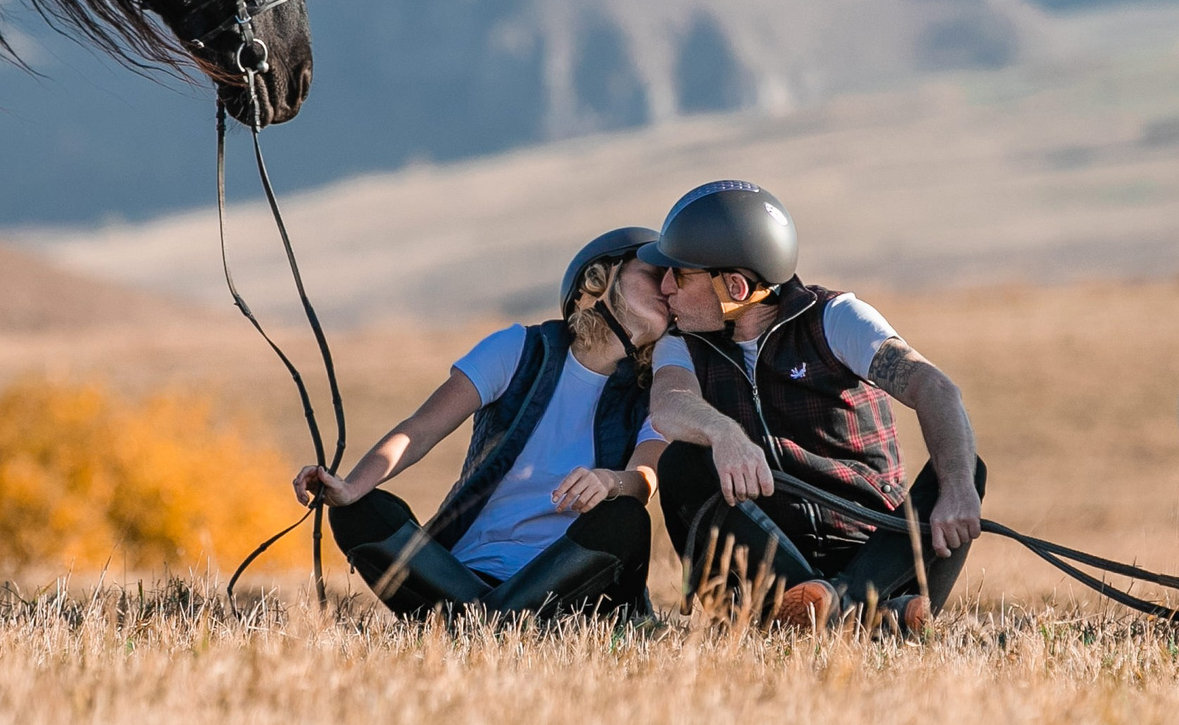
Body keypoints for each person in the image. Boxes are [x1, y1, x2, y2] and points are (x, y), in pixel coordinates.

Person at [641, 180, 985, 634]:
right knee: (683, 463)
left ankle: (833, 608)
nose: (664, 288)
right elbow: (669, 403)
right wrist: (723, 434)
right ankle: (870, 618)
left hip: (875, 553)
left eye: (680, 276)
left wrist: (958, 488)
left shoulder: (836, 318)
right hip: (766, 565)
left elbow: (935, 389)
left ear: (737, 286)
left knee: (964, 469)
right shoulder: (681, 343)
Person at [293, 226, 670, 620]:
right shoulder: (519, 350)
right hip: (459, 575)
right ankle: (501, 622)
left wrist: (611, 482)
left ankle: (481, 623)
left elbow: (644, 479)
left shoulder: (662, 390)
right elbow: (420, 430)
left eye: (673, 280)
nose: (667, 285)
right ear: (598, 279)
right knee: (359, 510)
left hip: (568, 591)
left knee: (625, 518)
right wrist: (351, 487)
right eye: (652, 272)